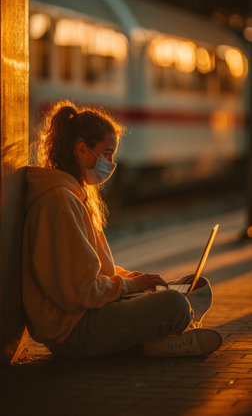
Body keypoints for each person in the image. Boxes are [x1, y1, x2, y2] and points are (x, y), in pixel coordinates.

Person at [22, 100, 222, 358]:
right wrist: (131, 288)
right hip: (73, 330)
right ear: (82, 150)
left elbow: (94, 274)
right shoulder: (60, 201)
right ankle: (159, 341)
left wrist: (131, 279)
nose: (111, 162)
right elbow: (80, 292)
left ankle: (157, 338)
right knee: (174, 304)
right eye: (106, 153)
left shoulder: (73, 194)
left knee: (196, 289)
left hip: (89, 311)